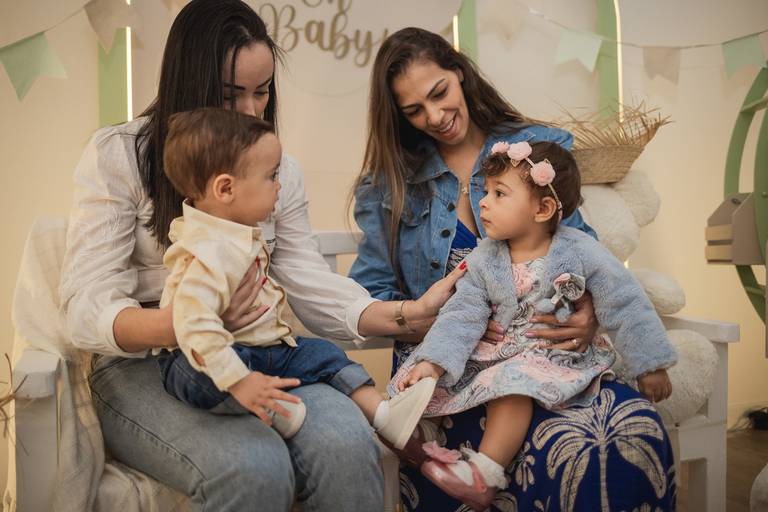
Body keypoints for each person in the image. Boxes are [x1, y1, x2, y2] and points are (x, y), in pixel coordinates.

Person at [59, 4, 462, 510]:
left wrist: (404, 314)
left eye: (263, 91)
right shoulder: (118, 155)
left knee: (346, 444)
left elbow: (305, 277)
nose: (251, 111)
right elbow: (84, 304)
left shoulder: (276, 170)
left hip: (257, 349)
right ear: (190, 84)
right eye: (232, 95)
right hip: (144, 366)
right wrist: (189, 322)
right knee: (252, 465)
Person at [349, 26, 677, 511]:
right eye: (414, 110)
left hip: (550, 351)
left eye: (439, 93)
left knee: (630, 427)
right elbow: (368, 294)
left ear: (460, 73)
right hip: (447, 363)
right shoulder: (390, 183)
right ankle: (479, 473)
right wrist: (422, 318)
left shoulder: (531, 151)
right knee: (565, 446)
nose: (434, 116)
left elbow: (589, 257)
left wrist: (587, 311)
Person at [390, 140, 677, 510]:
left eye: (498, 194)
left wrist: (650, 364)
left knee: (512, 385)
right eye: (485, 192)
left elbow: (623, 300)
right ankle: (423, 436)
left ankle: (483, 475)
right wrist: (433, 362)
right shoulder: (485, 258)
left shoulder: (581, 250)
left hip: (552, 354)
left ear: (542, 209)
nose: (483, 202)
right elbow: (461, 315)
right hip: (499, 352)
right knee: (425, 375)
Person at [158, 107, 437, 448]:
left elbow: (305, 276)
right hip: (198, 357)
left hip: (261, 348)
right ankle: (264, 405)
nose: (279, 185)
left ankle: (383, 414)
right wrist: (240, 380)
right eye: (270, 176)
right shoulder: (207, 250)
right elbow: (193, 324)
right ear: (226, 188)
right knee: (203, 378)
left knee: (322, 352)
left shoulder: (238, 233)